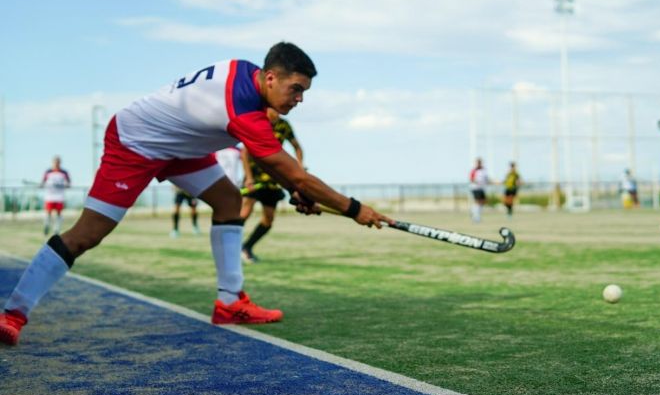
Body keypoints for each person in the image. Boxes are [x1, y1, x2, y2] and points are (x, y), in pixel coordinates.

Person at [0, 42, 392, 346]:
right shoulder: (245, 110)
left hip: (181, 147)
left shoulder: (245, 72)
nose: (299, 99)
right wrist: (355, 208)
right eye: (296, 88)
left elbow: (288, 174)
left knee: (227, 201)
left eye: (304, 91)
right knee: (87, 234)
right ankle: (12, 314)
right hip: (135, 142)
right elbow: (293, 173)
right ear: (271, 78)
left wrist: (297, 189)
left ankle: (230, 302)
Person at [240, 108, 304, 264]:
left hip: (274, 179)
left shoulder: (284, 125)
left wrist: (300, 168)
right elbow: (244, 153)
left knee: (268, 220)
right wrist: (248, 178)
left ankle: (246, 247)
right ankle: (229, 244)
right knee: (245, 212)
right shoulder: (258, 123)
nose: (277, 114)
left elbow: (297, 147)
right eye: (273, 110)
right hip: (254, 178)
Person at [40, 156, 71, 236]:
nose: (56, 164)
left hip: (59, 197)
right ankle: (46, 226)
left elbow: (69, 183)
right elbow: (43, 182)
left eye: (58, 162)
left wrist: (65, 185)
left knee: (59, 213)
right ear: (53, 163)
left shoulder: (64, 172)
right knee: (48, 213)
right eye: (55, 162)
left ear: (60, 163)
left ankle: (56, 230)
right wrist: (42, 185)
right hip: (50, 196)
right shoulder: (48, 172)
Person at [469, 158, 489, 223]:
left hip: (482, 188)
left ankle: (473, 211)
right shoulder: (474, 170)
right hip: (476, 188)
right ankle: (476, 217)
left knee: (482, 202)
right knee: (477, 202)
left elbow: (486, 178)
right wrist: (477, 182)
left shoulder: (484, 170)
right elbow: (471, 179)